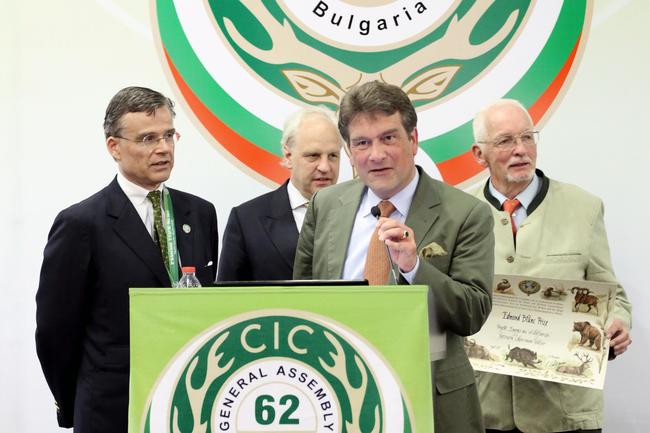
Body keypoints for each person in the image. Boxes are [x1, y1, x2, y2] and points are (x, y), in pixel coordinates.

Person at [293, 81, 495, 433]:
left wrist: (414, 267)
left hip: (429, 401)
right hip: (335, 396)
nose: (376, 154)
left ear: (413, 141)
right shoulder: (326, 205)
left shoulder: (466, 213)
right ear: (350, 151)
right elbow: (302, 296)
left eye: (388, 138)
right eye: (362, 143)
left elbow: (472, 312)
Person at [35, 86, 219, 433]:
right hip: (112, 410)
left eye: (168, 135)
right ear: (114, 147)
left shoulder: (200, 213)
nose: (163, 148)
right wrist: (74, 401)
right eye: (148, 138)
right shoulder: (81, 224)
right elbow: (54, 330)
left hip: (187, 405)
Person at [470, 99, 632, 433]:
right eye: (505, 141)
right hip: (484, 409)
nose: (520, 150)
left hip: (563, 412)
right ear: (479, 154)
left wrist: (617, 322)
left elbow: (613, 295)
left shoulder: (583, 208)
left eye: (527, 137)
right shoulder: (460, 212)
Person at [217, 106, 343, 281]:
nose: (325, 167)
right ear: (288, 155)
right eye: (313, 156)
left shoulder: (359, 214)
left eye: (333, 156)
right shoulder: (247, 220)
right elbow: (227, 298)